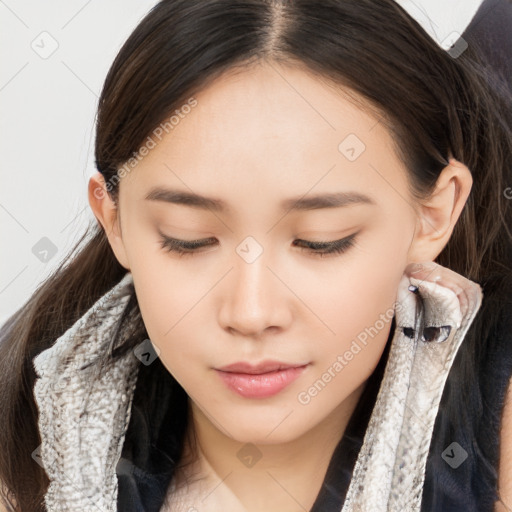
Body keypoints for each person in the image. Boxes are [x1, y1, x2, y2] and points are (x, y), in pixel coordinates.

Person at [1, 0, 511, 511]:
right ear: (113, 220)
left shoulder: (491, 434)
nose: (251, 313)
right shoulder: (22, 446)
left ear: (433, 213)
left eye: (321, 240)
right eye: (188, 238)